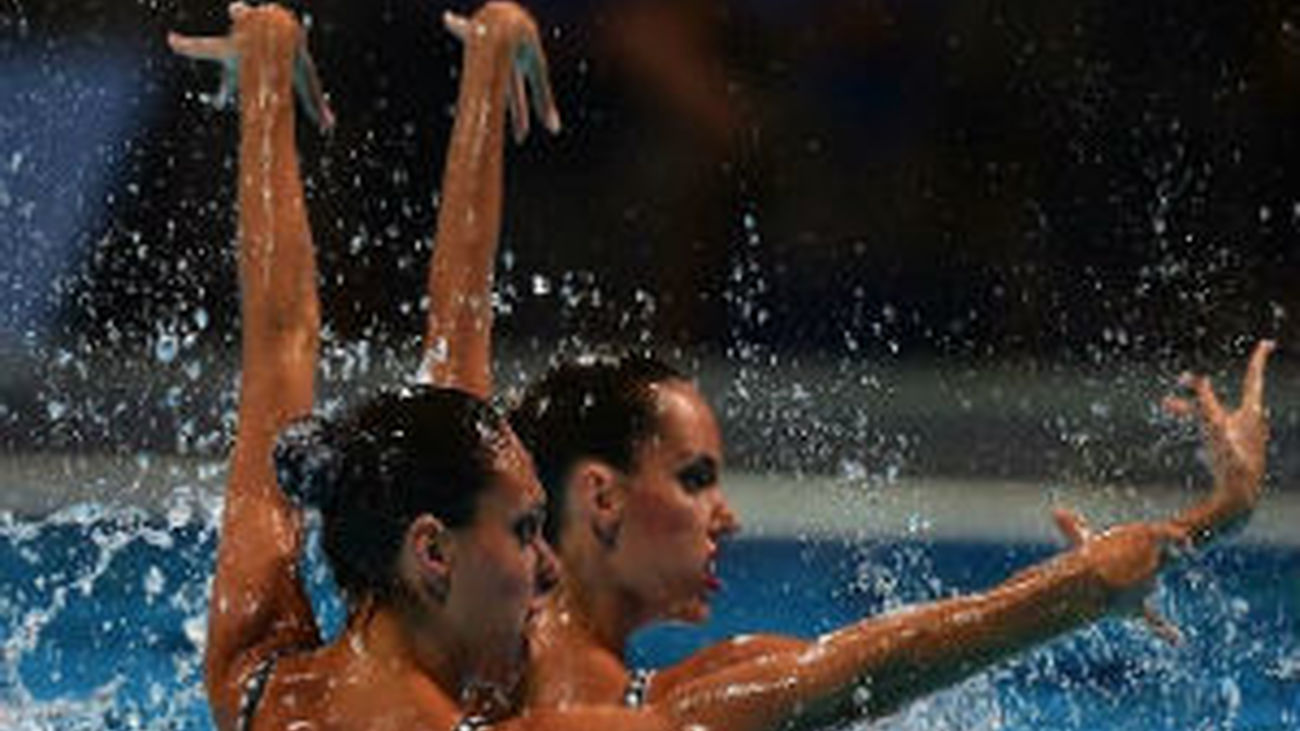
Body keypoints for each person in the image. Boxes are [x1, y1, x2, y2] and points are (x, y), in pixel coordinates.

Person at [418, 3, 1280, 728]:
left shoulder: (442, 656)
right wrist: (1216, 512)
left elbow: (455, 353)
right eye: (694, 478)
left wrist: (487, 73)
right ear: (600, 496)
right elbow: (947, 633)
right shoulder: (691, 707)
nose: (725, 517)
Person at [168, 4, 685, 730]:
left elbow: (281, 338)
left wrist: (265, 73)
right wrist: (488, 63)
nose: (549, 565)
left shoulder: (255, 678)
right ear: (433, 550)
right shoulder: (492, 698)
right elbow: (454, 326)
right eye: (525, 528)